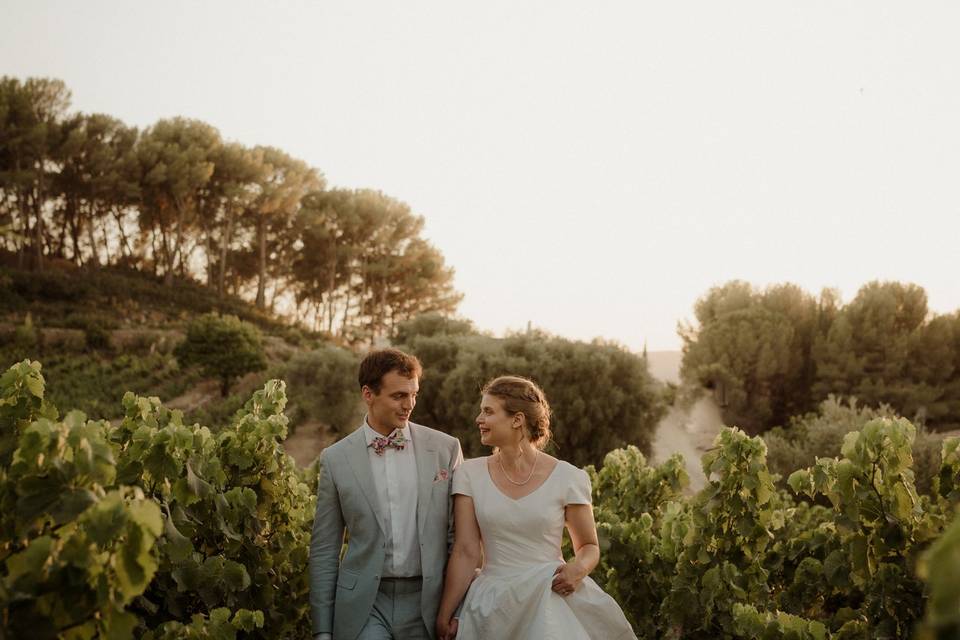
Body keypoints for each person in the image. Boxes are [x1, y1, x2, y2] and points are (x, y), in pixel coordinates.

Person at [436, 375, 637, 640]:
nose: (478, 419)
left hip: (550, 598)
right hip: (492, 606)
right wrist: (445, 614)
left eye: (488, 411)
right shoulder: (469, 475)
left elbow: (589, 546)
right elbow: (465, 551)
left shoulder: (568, 477)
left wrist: (579, 568)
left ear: (517, 419)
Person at [310, 348, 463, 640]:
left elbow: (460, 539)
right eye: (399, 396)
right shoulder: (335, 458)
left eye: (414, 394)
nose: (410, 405)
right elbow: (325, 548)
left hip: (429, 601)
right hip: (365, 604)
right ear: (368, 394)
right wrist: (322, 630)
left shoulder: (446, 449)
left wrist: (455, 609)